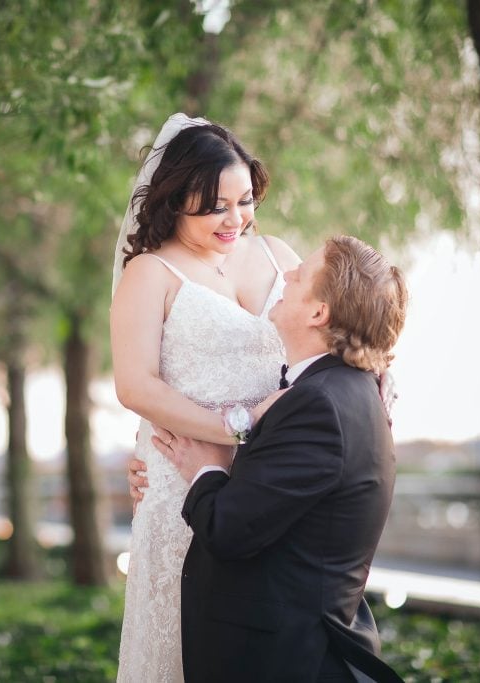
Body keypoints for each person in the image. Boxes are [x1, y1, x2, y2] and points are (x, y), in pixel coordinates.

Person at [151, 235, 407, 682]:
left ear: (318, 313)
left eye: (300, 275)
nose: (285, 276)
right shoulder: (346, 392)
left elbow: (229, 530)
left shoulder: (320, 406)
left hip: (281, 660)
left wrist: (204, 467)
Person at [110, 113, 300, 682]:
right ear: (175, 201)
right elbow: (136, 385)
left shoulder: (279, 256)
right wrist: (240, 430)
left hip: (278, 480)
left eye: (244, 201)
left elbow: (325, 345)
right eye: (215, 206)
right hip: (184, 487)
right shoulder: (151, 273)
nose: (235, 220)